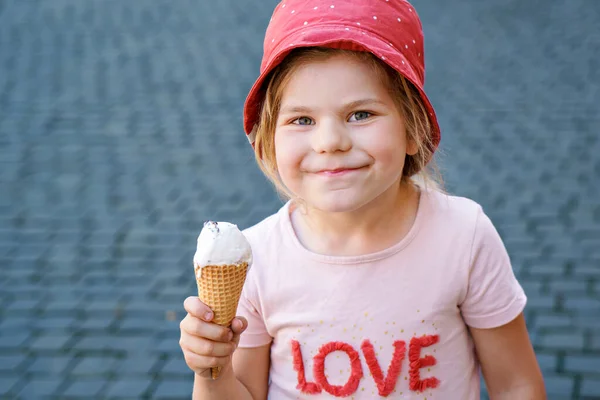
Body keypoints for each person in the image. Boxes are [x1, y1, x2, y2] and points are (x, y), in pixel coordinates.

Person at [179, 0, 546, 398]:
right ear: (268, 143)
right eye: (302, 120)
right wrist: (211, 370)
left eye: (361, 114)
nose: (331, 142)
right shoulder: (257, 260)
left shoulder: (464, 237)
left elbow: (517, 384)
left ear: (412, 130)